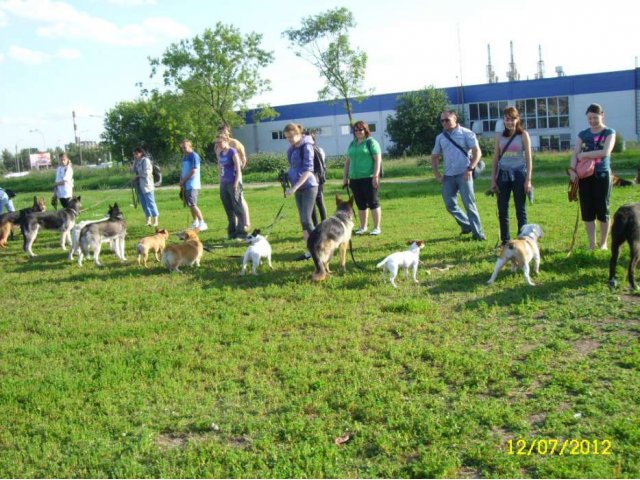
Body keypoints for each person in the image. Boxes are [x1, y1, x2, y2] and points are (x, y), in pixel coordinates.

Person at [431, 110, 486, 241]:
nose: (444, 123)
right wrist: (437, 174)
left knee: (469, 204)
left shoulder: (466, 133)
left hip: (464, 174)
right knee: (449, 204)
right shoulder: (440, 137)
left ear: (455, 119)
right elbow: (434, 157)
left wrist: (470, 168)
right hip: (448, 176)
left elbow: (477, 152)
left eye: (447, 120)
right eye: (442, 121)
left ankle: (478, 234)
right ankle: (467, 225)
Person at [569, 103, 616, 250]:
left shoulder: (609, 132)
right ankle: (591, 243)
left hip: (602, 174)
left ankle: (603, 244)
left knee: (603, 209)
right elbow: (575, 154)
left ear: (602, 115)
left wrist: (585, 155)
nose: (592, 121)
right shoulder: (583, 134)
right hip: (584, 176)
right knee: (587, 210)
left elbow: (605, 152)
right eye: (589, 118)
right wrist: (572, 171)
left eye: (595, 117)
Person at [490, 106, 533, 244]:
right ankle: (505, 240)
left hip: (519, 174)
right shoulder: (499, 136)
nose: (510, 122)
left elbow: (529, 159)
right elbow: (496, 158)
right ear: (504, 120)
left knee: (520, 209)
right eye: (507, 119)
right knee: (502, 209)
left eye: (513, 119)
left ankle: (523, 239)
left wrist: (528, 180)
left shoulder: (523, 135)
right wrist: (493, 180)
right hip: (502, 175)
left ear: (518, 119)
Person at [283, 123, 318, 259]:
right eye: (287, 137)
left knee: (307, 219)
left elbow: (308, 170)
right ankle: (310, 251)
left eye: (292, 136)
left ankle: (321, 245)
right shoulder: (292, 148)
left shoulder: (307, 146)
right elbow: (294, 167)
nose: (290, 140)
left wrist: (295, 187)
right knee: (303, 221)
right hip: (297, 187)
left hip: (309, 186)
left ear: (299, 133)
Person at [342, 120, 382, 235]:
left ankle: (376, 228)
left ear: (365, 130)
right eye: (355, 130)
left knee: (373, 202)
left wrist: (375, 176)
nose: (358, 132)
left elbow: (377, 160)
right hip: (354, 179)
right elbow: (347, 162)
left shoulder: (371, 143)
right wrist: (345, 177)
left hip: (368, 177)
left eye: (360, 129)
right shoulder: (352, 143)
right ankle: (363, 227)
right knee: (360, 204)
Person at [218, 123, 251, 229]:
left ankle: (246, 222)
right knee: (228, 201)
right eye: (220, 132)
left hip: (235, 175)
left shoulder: (235, 143)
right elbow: (219, 161)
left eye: (224, 131)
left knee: (239, 198)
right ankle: (234, 223)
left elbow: (243, 158)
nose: (222, 133)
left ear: (228, 132)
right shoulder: (218, 144)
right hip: (225, 176)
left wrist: (237, 173)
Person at [215, 133, 247, 240]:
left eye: (220, 142)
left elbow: (238, 169)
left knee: (237, 207)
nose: (218, 144)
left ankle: (241, 232)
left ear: (226, 140)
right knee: (228, 208)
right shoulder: (221, 154)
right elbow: (220, 169)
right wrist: (220, 182)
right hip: (224, 183)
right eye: (217, 142)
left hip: (233, 182)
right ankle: (232, 232)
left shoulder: (232, 151)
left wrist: (236, 183)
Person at [179, 139, 208, 231]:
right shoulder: (185, 157)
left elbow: (194, 171)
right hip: (186, 184)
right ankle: (195, 222)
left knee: (193, 204)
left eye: (185, 147)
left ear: (190, 146)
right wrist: (181, 181)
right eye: (182, 147)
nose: (183, 149)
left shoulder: (194, 156)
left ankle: (202, 222)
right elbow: (184, 170)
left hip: (192, 184)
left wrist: (184, 180)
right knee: (190, 204)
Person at [132, 147, 159, 227]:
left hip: (147, 185)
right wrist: (134, 161)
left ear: (141, 153)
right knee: (144, 204)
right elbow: (133, 170)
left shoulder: (146, 161)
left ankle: (155, 220)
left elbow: (147, 173)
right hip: (139, 186)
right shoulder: (138, 161)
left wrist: (138, 176)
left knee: (151, 203)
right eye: (134, 154)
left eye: (136, 154)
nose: (135, 155)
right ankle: (148, 220)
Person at [309, 131, 327, 226]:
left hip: (315, 179)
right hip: (317, 178)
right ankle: (318, 224)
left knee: (318, 202)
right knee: (316, 202)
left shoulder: (316, 150)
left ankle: (321, 224)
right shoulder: (318, 149)